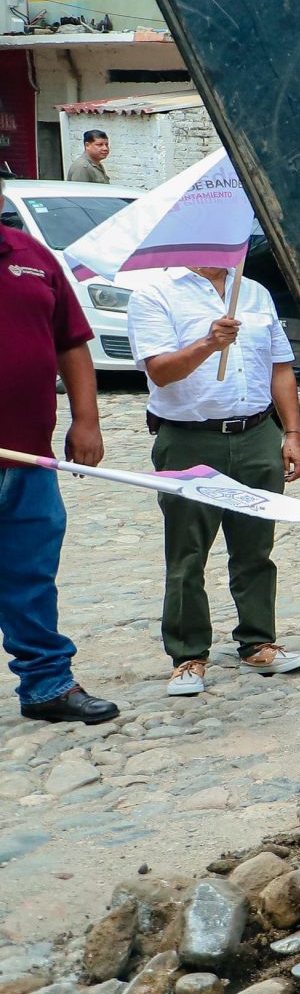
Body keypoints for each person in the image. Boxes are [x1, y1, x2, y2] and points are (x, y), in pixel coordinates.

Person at [126, 263, 300, 697]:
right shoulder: (155, 293)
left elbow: (280, 367)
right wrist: (209, 343)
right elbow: (160, 371)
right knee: (187, 553)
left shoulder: (254, 292)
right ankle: (188, 654)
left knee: (256, 547)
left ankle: (257, 643)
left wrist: (293, 434)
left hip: (256, 435)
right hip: (190, 441)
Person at [1, 170, 115, 724]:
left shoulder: (31, 254)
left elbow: (71, 343)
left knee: (31, 576)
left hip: (29, 460)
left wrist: (86, 420)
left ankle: (47, 685)